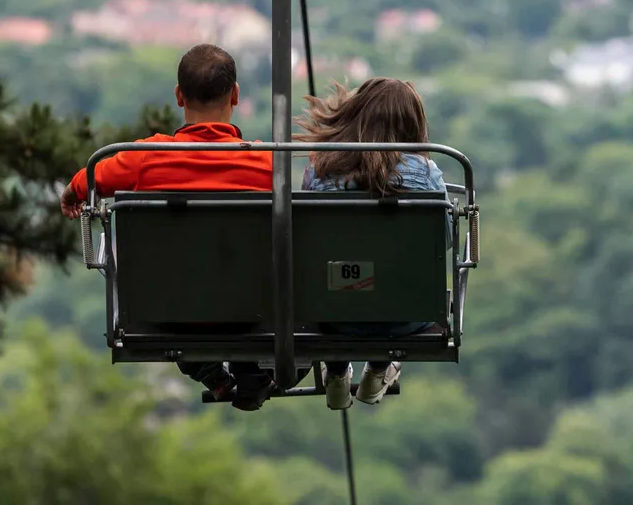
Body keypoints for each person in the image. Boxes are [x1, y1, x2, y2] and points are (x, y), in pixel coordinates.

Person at [59, 43, 277, 411]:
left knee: (173, 277)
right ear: (236, 95)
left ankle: (210, 370)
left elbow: (90, 179)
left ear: (179, 96)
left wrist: (71, 193)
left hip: (168, 310)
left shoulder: (144, 157)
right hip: (246, 308)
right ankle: (251, 370)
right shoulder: (267, 164)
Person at [294, 77, 448, 410]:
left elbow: (307, 246)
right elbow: (442, 243)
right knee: (390, 280)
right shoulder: (427, 173)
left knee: (349, 276)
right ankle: (380, 367)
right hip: (407, 315)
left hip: (335, 313)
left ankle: (336, 370)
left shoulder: (319, 173)